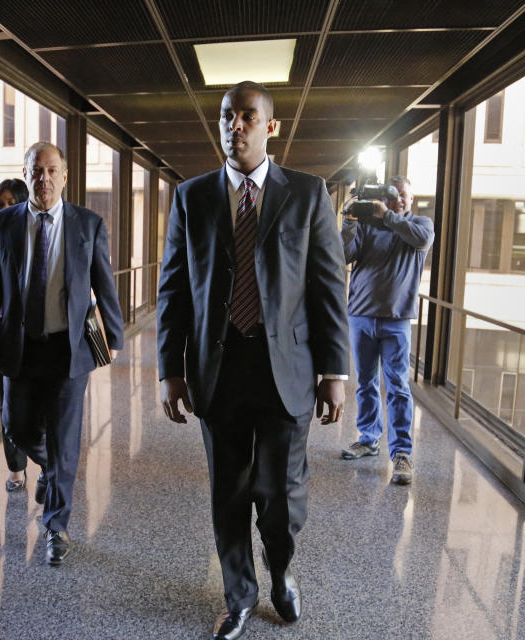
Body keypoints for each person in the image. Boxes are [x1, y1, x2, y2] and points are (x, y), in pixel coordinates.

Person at [157, 81, 349, 640]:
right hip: (218, 367)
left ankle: (281, 568)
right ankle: (239, 594)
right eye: (226, 116)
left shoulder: (308, 195)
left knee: (281, 496)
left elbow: (327, 290)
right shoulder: (192, 197)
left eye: (247, 116)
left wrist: (334, 372)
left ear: (271, 127)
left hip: (286, 368)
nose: (234, 126)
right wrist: (171, 369)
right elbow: (174, 291)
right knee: (230, 491)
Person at [0, 142, 124, 566]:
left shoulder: (87, 224)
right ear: (25, 174)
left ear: (65, 175)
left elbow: (104, 285)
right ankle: (51, 470)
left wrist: (113, 336)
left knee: (64, 441)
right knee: (16, 426)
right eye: (36, 171)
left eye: (52, 170)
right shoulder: (2, 224)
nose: (44, 179)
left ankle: (56, 526)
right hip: (18, 347)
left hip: (67, 349)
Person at [339, 176, 434, 485]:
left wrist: (386, 216)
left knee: (397, 387)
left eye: (404, 196)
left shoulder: (420, 224)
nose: (399, 201)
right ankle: (368, 438)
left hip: (396, 319)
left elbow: (420, 241)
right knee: (365, 382)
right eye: (393, 197)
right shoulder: (368, 226)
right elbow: (343, 255)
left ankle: (402, 454)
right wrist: (350, 220)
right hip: (361, 315)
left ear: (411, 198)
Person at [0, 178, 30, 493]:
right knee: (8, 408)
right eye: (1, 204)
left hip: (41, 336)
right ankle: (16, 468)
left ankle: (45, 463)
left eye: (12, 203)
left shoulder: (40, 235)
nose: (6, 209)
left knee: (41, 406)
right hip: (6, 336)